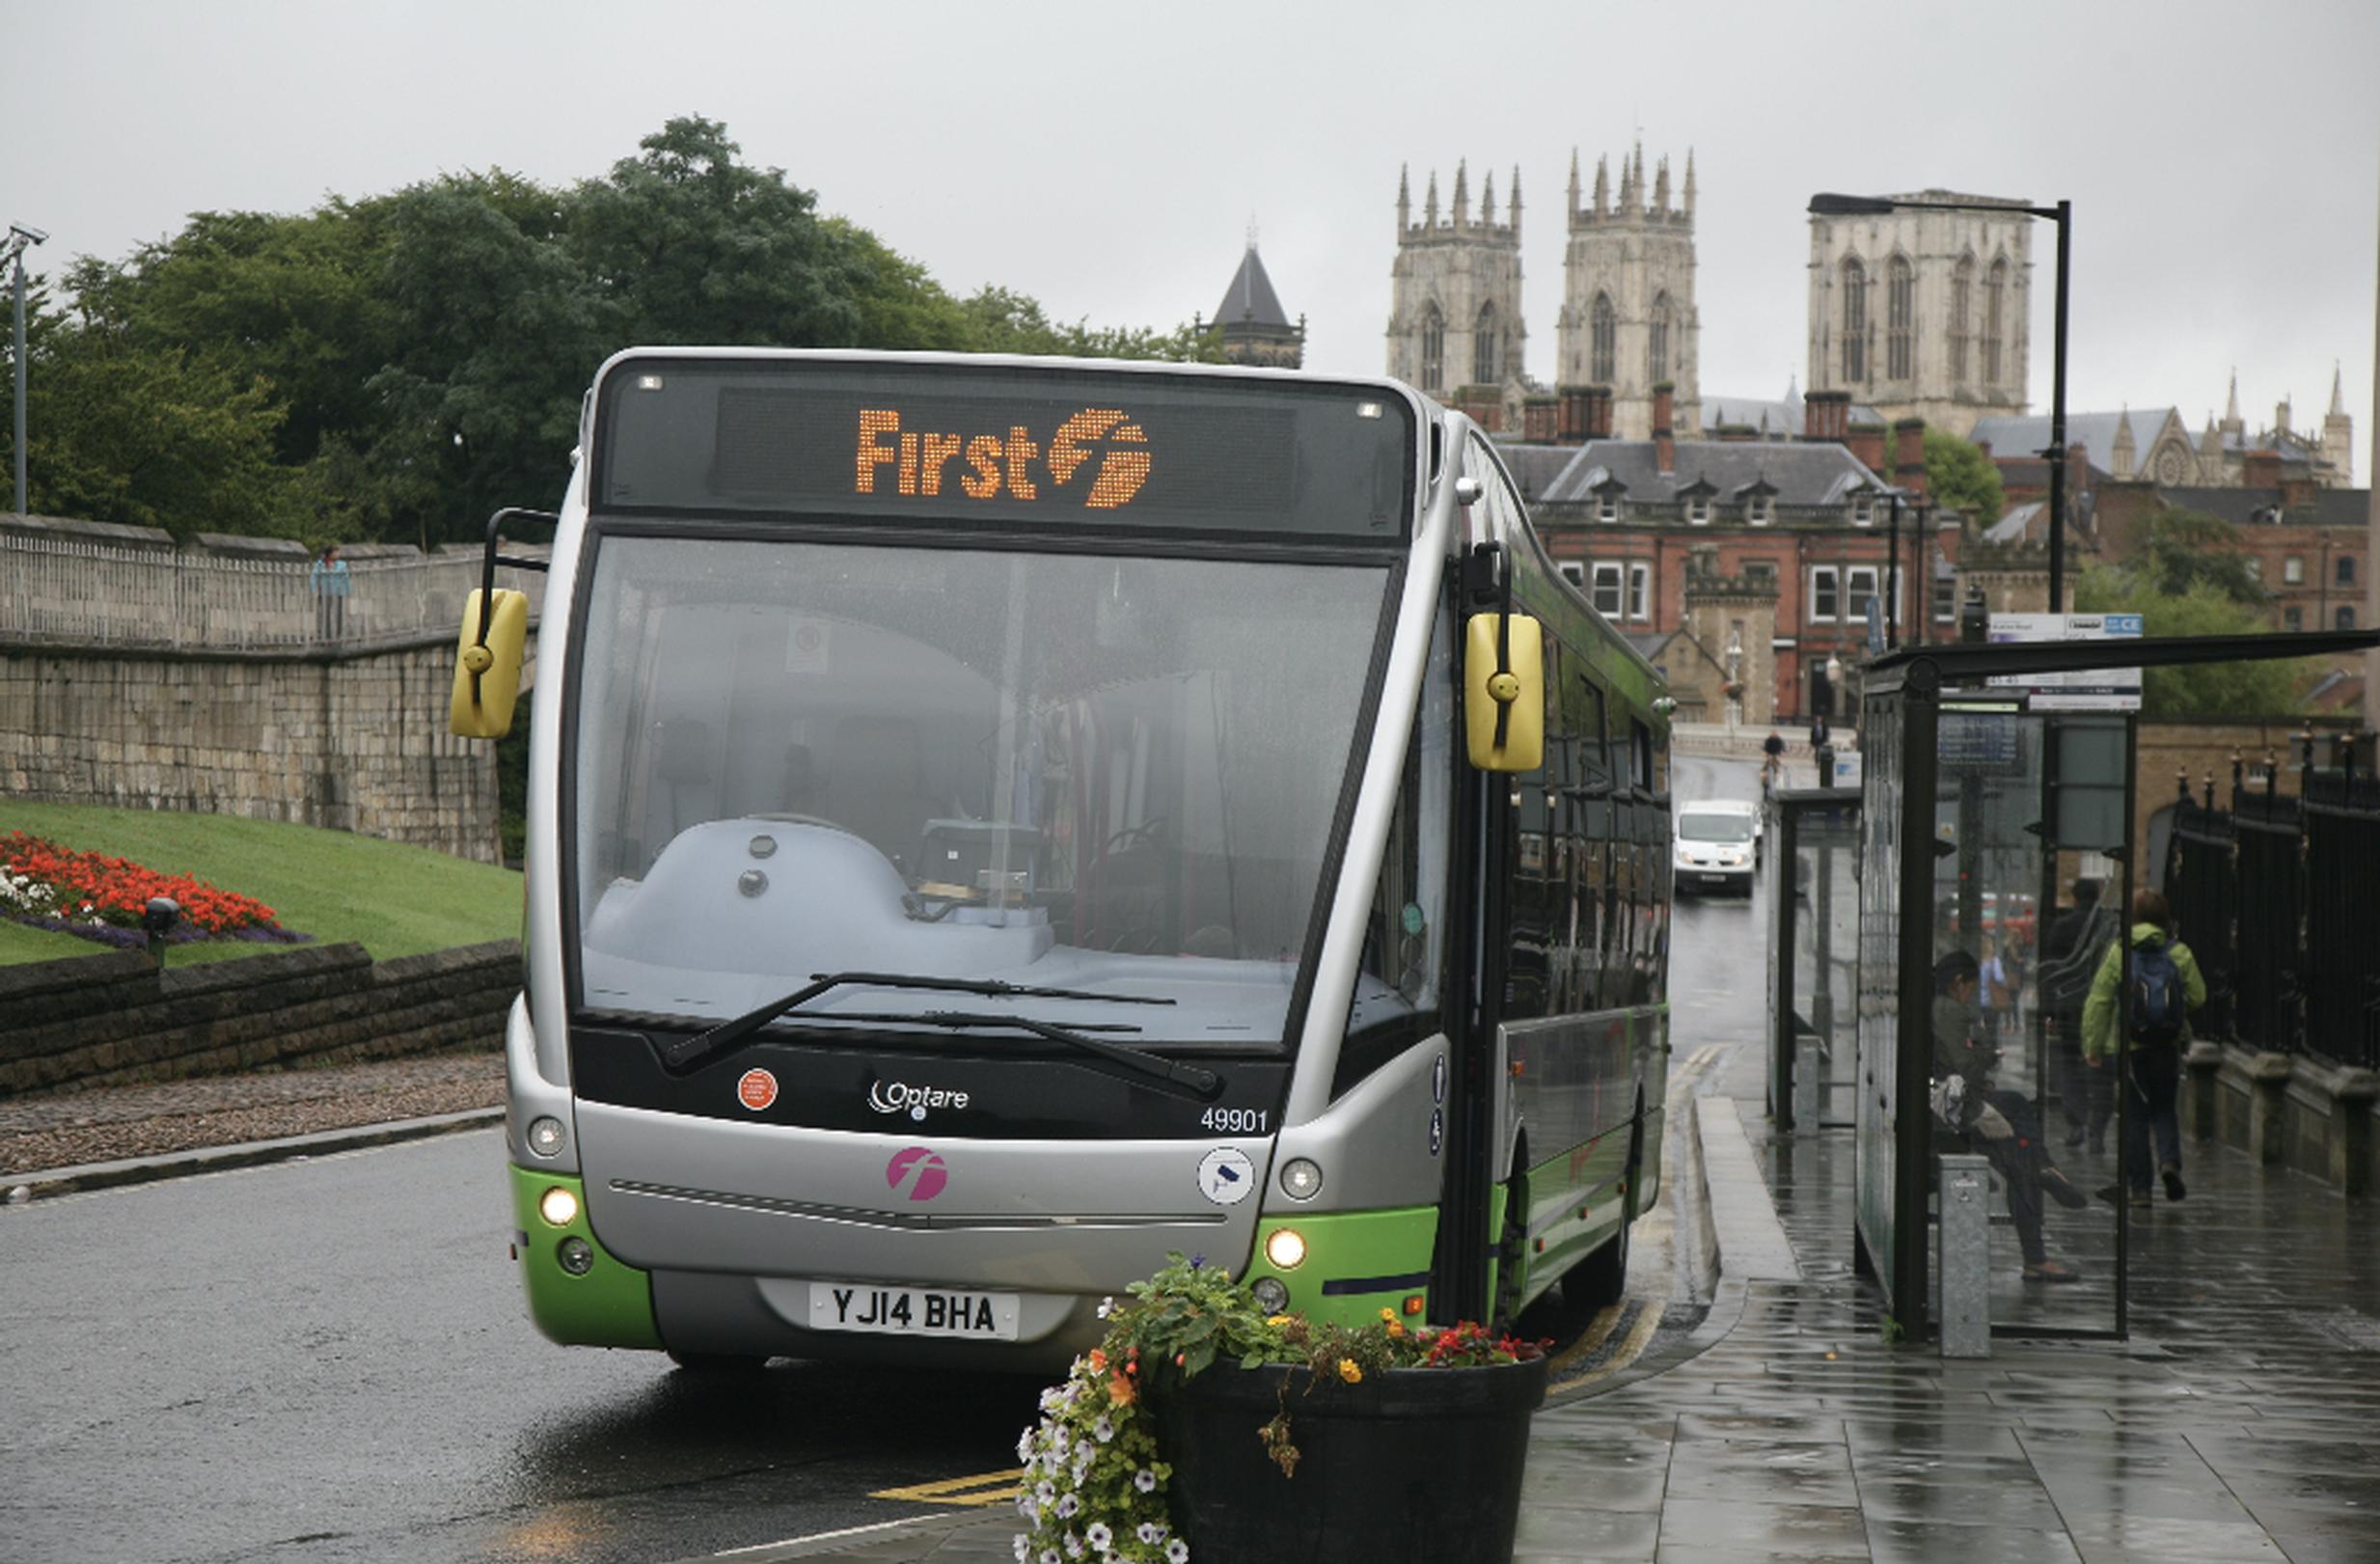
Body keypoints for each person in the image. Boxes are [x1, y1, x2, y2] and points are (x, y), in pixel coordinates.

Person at [1931, 947, 2089, 1282]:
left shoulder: (1940, 1008)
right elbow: (1962, 1066)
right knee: (2022, 1157)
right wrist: (1988, 1057)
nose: (1970, 996)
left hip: (1948, 1106)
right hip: (1954, 1114)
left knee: (2019, 1121)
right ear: (1959, 982)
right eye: (1970, 989)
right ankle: (2043, 1177)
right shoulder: (1950, 1011)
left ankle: (2042, 1167)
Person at [2082, 889, 2206, 1207]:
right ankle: (2169, 1162)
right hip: (2166, 1046)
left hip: (2130, 1048)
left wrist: (2092, 1045)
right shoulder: (2179, 953)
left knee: (2135, 1117)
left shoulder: (2119, 951)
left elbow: (2100, 1001)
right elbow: (2198, 996)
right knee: (2165, 1108)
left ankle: (2140, 1190)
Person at [2038, 880, 2111, 1149]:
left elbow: (2050, 972)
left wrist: (2048, 1011)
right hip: (2103, 1010)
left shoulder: (2063, 926)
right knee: (2100, 1072)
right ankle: (2097, 1129)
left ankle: (2076, 1123)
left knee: (2069, 1067)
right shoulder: (2108, 927)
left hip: (2069, 1009)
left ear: (2075, 899)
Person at [310, 543, 351, 640]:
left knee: (338, 613)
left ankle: (338, 634)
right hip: (325, 592)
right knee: (325, 614)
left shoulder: (342, 564)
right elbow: (314, 576)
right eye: (336, 552)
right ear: (330, 553)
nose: (338, 554)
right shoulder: (320, 564)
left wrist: (348, 590)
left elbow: (346, 578)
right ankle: (326, 634)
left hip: (338, 592)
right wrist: (313, 588)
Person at [1760, 729, 1786, 795]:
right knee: (1766, 769)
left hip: (1776, 755)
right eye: (1773, 734)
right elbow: (1765, 748)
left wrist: (1779, 755)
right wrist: (1768, 754)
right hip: (1770, 755)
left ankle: (1777, 781)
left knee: (1777, 768)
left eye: (1775, 734)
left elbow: (1782, 748)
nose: (1774, 735)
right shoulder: (1768, 740)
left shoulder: (1780, 741)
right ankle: (1766, 784)